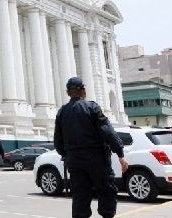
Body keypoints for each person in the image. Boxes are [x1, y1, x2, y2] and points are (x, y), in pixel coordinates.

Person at [54, 77, 128, 218]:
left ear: (67, 92)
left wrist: (67, 154)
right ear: (83, 91)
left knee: (80, 195)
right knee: (106, 190)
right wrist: (120, 153)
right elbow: (107, 131)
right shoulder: (91, 107)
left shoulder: (62, 112)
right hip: (97, 159)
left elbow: (57, 141)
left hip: (74, 161)